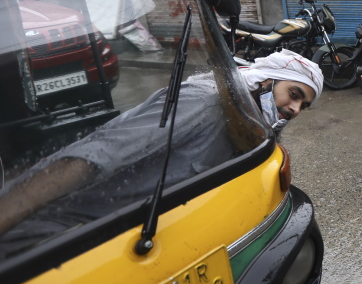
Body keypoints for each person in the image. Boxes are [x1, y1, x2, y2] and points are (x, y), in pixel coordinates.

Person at [0, 50, 323, 241]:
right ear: (266, 80)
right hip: (69, 232)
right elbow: (92, 157)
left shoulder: (245, 124)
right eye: (294, 95)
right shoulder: (204, 102)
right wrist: (9, 211)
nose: (294, 110)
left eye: (303, 106)